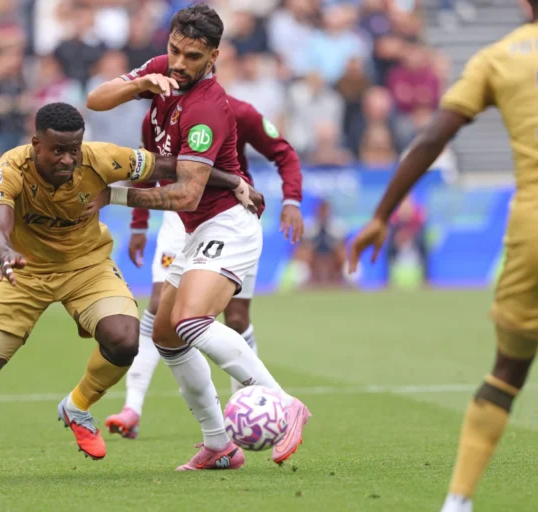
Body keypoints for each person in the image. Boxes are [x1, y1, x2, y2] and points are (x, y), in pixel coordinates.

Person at [0, 101, 262, 481]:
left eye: (74, 150)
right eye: (57, 150)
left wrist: (235, 181)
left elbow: (173, 166)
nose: (68, 160)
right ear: (36, 143)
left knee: (125, 339)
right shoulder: (7, 170)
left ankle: (77, 406)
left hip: (86, 266)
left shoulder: (103, 158)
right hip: (24, 270)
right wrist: (6, 255)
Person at [86, 3, 311, 471]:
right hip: (194, 232)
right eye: (174, 52)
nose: (180, 64)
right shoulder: (160, 74)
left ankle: (283, 403)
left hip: (227, 225)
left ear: (214, 56)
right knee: (167, 337)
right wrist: (139, 83)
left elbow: (187, 194)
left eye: (193, 56)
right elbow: (96, 100)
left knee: (191, 320)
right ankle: (219, 445)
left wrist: (115, 197)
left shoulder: (208, 108)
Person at [348, 3, 538, 510]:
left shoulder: (499, 58)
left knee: (508, 370)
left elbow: (433, 136)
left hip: (532, 228)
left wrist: (382, 214)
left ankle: (458, 501)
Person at [104, 94, 304, 440]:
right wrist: (138, 225)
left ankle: (252, 407)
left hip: (228, 220)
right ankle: (134, 407)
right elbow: (149, 168)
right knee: (162, 314)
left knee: (235, 319)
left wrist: (291, 200)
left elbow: (283, 153)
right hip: (177, 221)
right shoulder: (155, 117)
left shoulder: (239, 111)